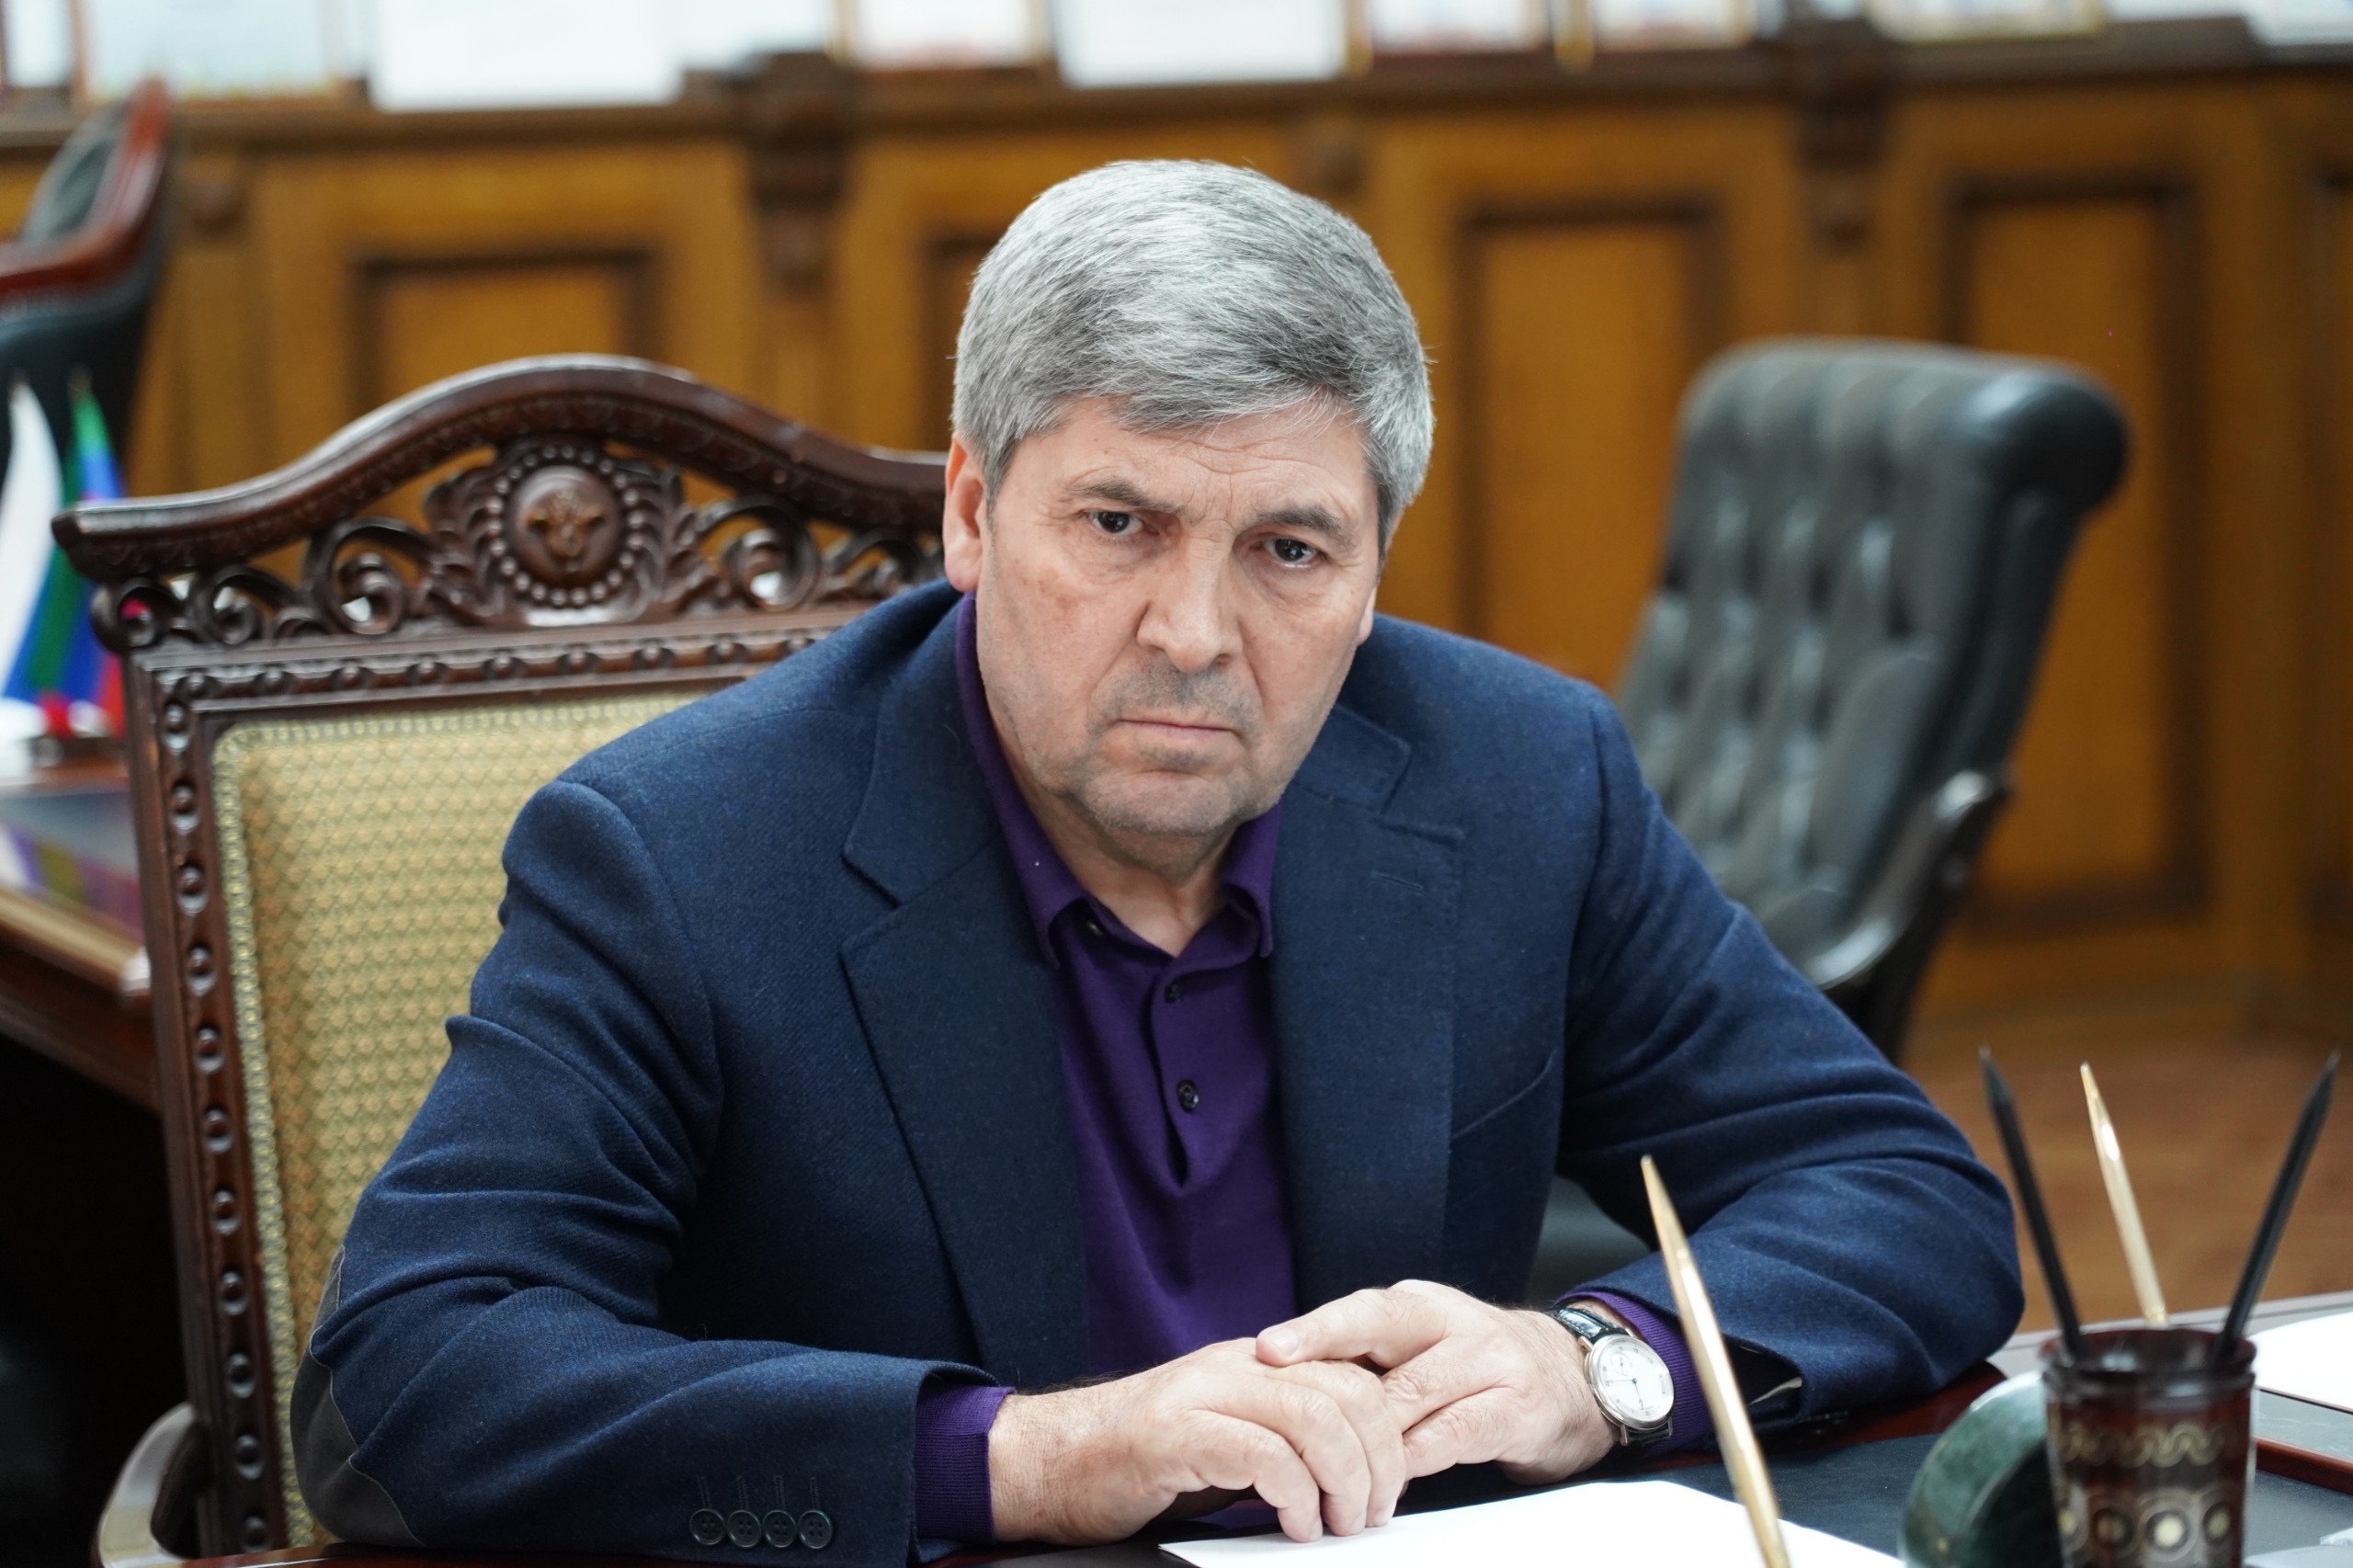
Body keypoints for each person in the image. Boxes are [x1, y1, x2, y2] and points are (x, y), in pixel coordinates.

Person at [292, 160, 2022, 1567]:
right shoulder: (683, 854)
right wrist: (1026, 1455)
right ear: (974, 511)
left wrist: (1596, 1364)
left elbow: (1896, 1188)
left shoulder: (1517, 778)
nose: (1195, 632)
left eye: (1289, 548)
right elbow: (408, 1380)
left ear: (1374, 569)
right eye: (1120, 524)